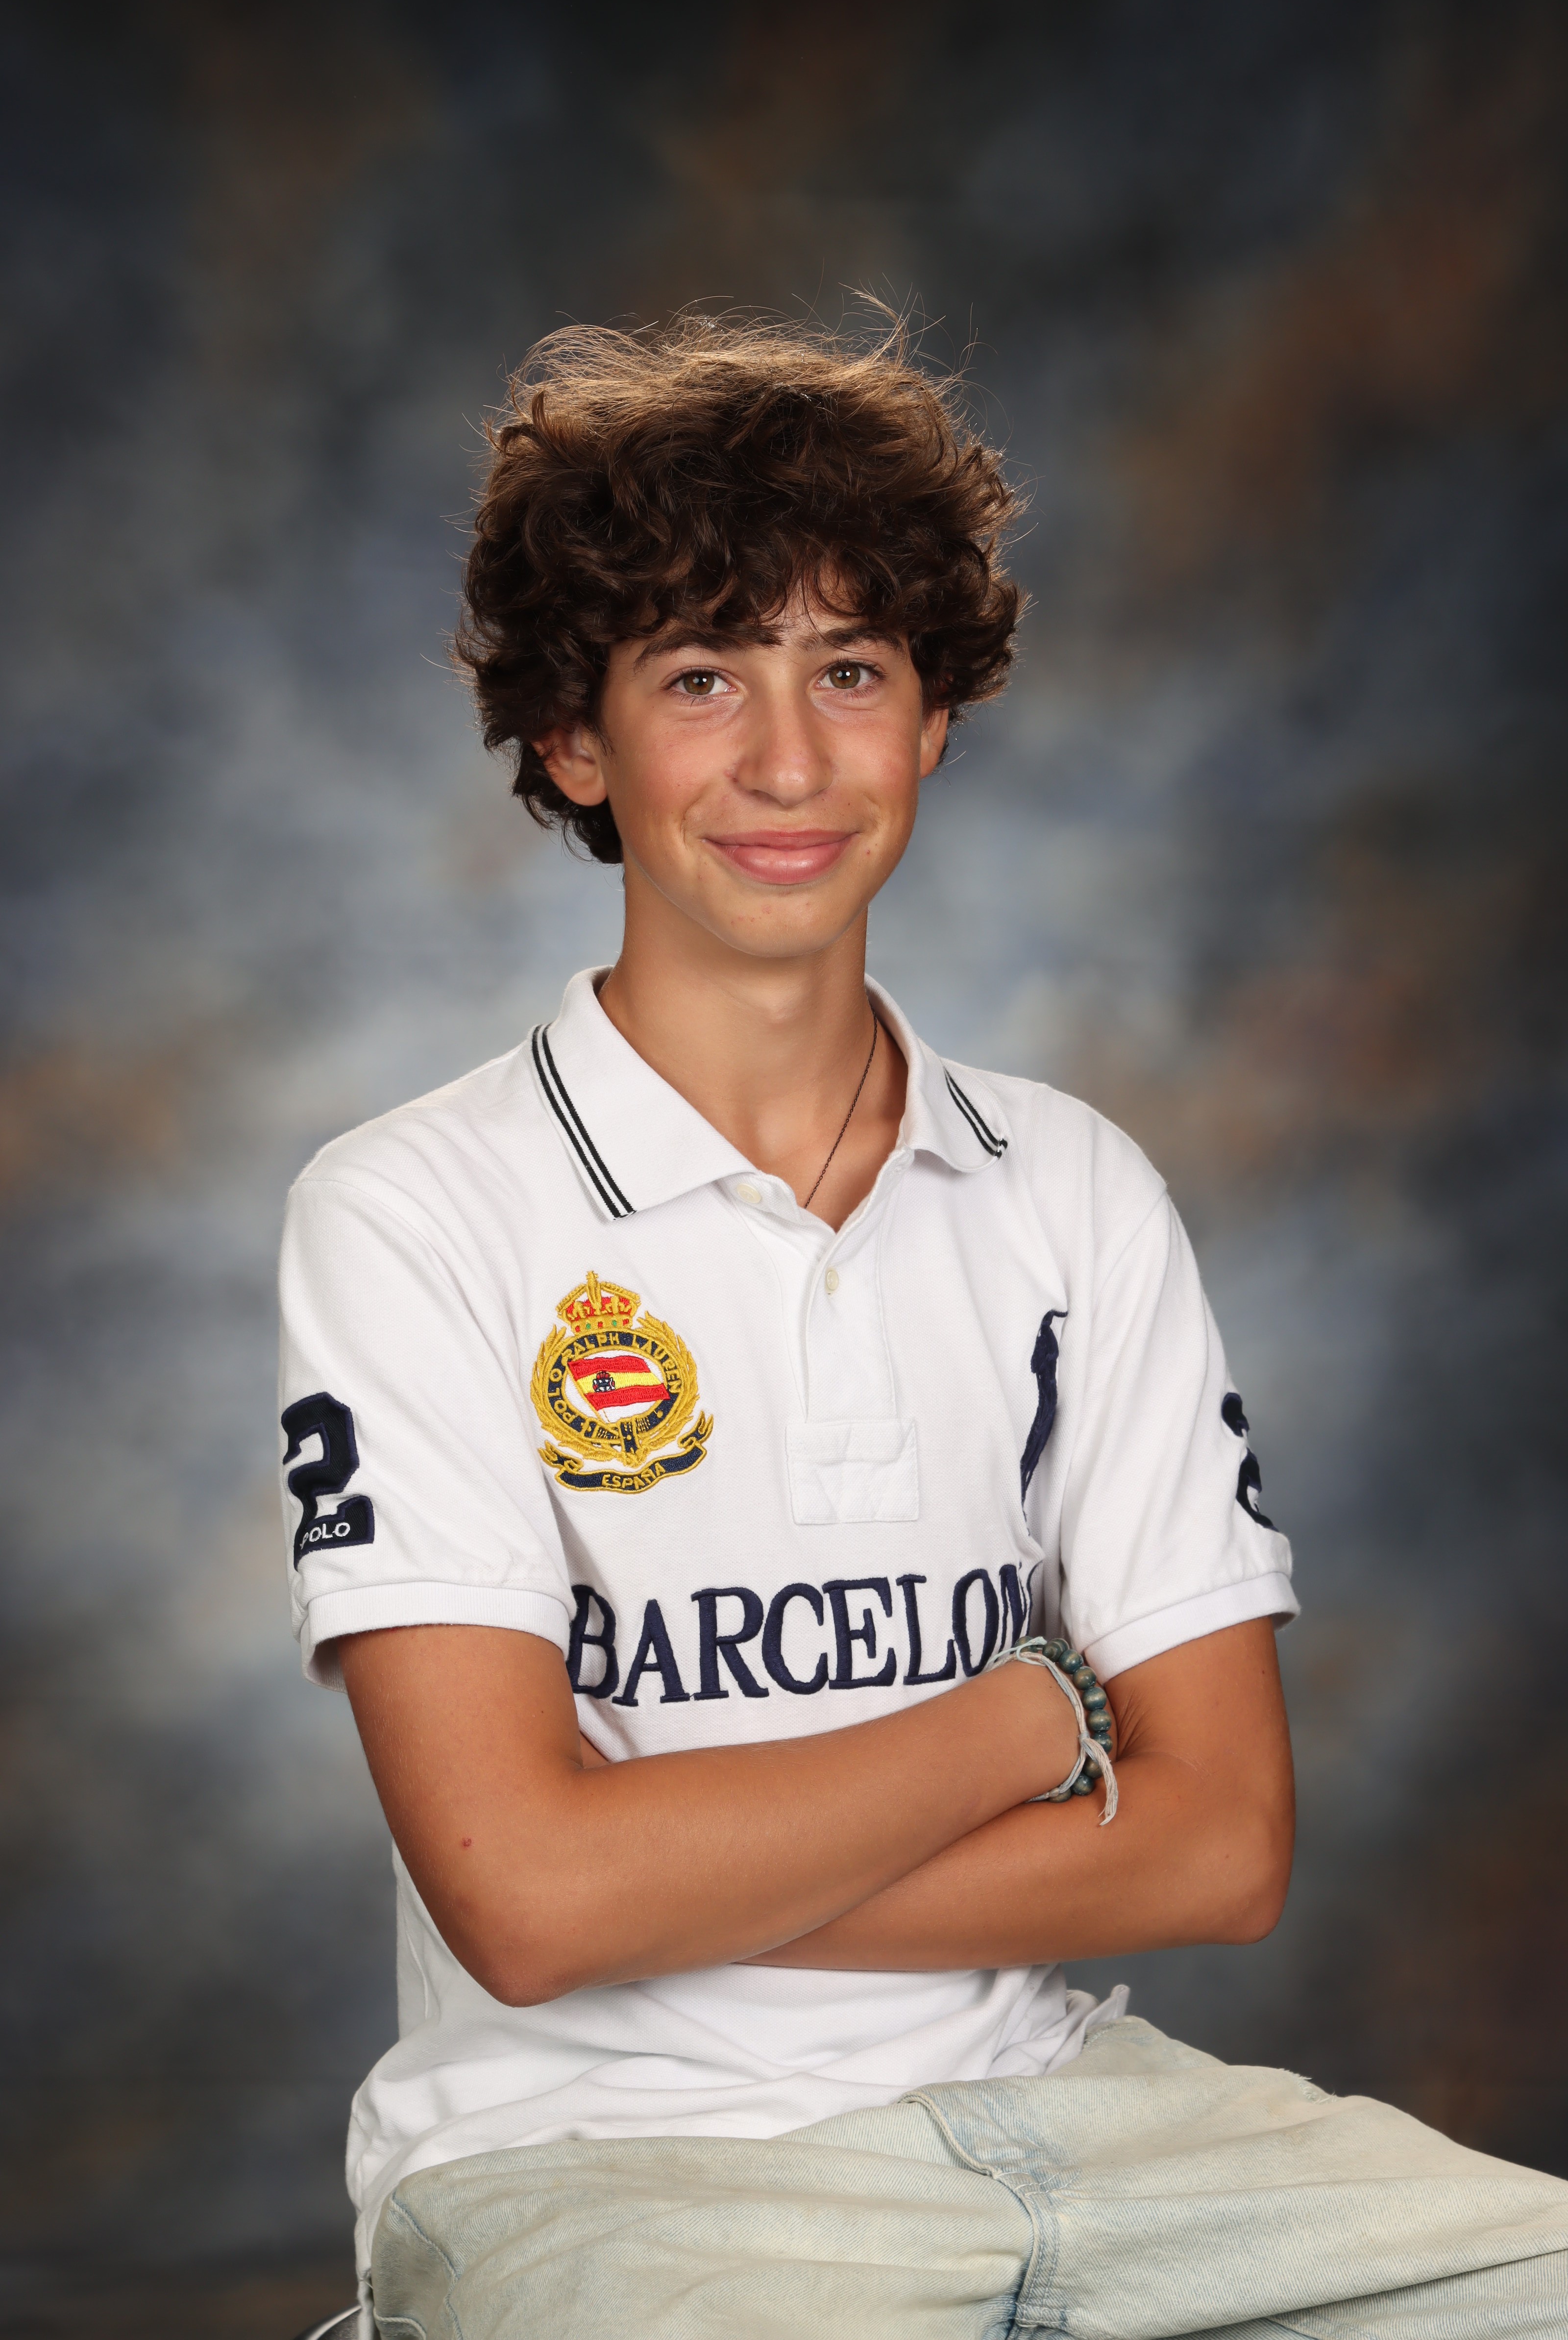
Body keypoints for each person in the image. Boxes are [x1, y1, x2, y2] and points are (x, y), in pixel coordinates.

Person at [277, 316, 1568, 2339]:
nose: (789, 763)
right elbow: (526, 1908)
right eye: (700, 676)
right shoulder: (411, 1209)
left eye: (851, 671)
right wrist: (1032, 1719)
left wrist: (665, 1879)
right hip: (599, 2162)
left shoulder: (1072, 1188)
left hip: (1075, 2114)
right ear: (574, 741)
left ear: (934, 720)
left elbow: (1222, 1848)